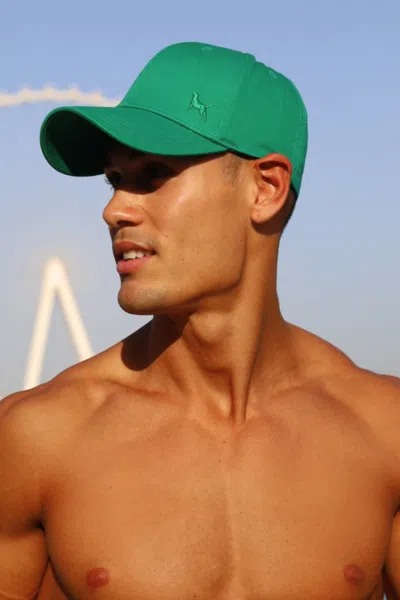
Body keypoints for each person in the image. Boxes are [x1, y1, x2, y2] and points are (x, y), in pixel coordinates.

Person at [0, 41, 399, 600]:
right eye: (114, 178)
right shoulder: (37, 438)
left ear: (266, 188)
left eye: (154, 173)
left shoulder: (384, 431)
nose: (114, 209)